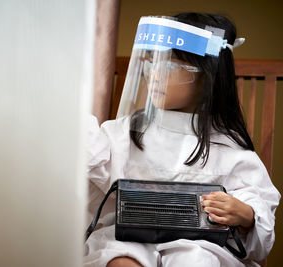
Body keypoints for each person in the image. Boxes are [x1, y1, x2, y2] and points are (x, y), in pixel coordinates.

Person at [84, 12, 280, 267]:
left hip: (201, 246)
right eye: (151, 63)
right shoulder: (124, 134)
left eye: (169, 66)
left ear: (207, 78)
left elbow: (257, 217)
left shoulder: (229, 151)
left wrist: (246, 215)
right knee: (120, 262)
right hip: (129, 239)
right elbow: (90, 177)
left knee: (197, 261)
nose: (154, 75)